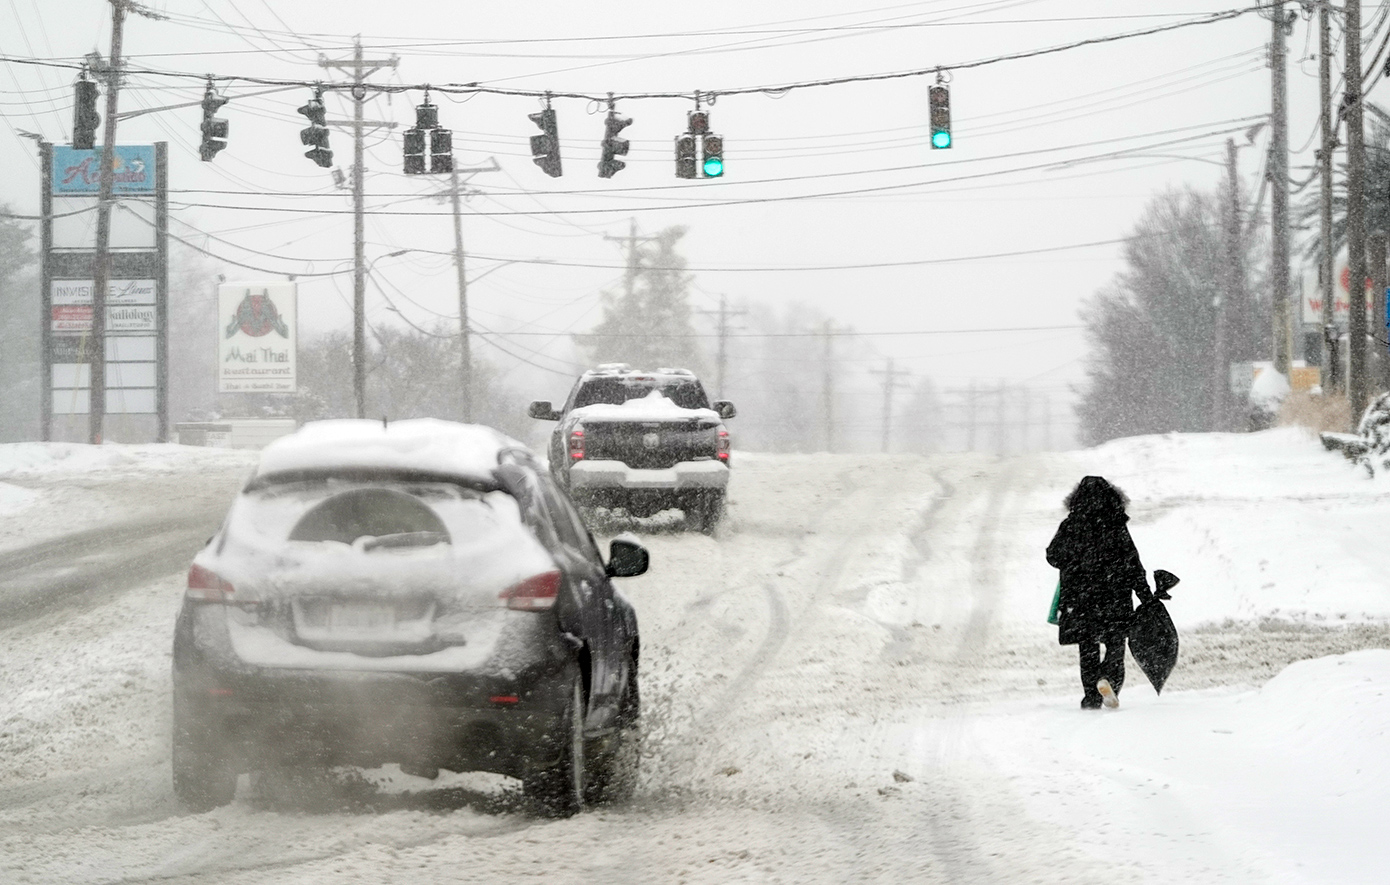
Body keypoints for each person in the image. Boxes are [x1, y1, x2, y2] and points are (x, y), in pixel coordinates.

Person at [1046, 476, 1152, 710]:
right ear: (1111, 497)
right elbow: (1132, 562)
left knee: (1088, 647)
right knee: (1115, 643)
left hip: (1081, 597)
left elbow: (1052, 555)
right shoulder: (1116, 525)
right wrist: (1145, 595)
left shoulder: (1071, 525)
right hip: (1115, 595)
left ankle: (1091, 696)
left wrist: (1075, 562)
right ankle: (1109, 679)